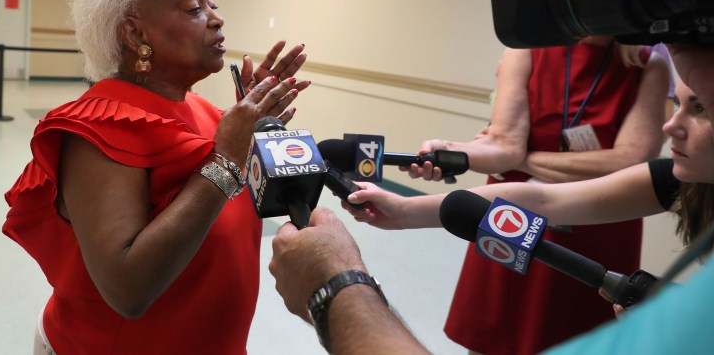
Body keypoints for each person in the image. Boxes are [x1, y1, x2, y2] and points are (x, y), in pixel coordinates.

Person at [269, 43, 714, 354]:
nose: (669, 128)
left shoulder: (648, 64)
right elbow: (545, 199)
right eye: (679, 105)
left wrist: (525, 155)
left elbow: (623, 159)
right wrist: (404, 209)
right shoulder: (676, 178)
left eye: (699, 109)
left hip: (596, 243)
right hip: (516, 229)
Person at [2, 0, 310, 354]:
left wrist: (255, 126)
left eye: (212, 5)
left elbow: (231, 206)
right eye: (193, 8)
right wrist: (227, 157)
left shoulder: (206, 112)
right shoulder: (98, 128)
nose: (217, 18)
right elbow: (128, 289)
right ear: (135, 34)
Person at [401, 37, 670, 354]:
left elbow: (630, 162)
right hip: (513, 215)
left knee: (575, 339)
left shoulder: (649, 63)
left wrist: (524, 159)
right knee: (494, 336)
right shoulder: (527, 46)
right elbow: (502, 145)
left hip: (596, 221)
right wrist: (451, 150)